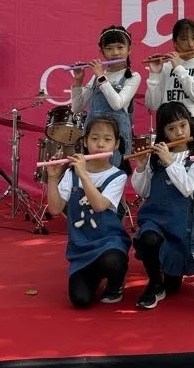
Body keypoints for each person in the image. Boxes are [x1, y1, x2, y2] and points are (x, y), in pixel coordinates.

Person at [45, 115, 130, 308]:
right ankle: (93, 276)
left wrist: (83, 174)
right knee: (80, 300)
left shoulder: (118, 176)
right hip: (81, 246)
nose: (100, 144)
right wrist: (52, 178)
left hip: (109, 242)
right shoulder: (71, 173)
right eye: (94, 138)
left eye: (107, 139)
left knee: (114, 261)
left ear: (116, 144)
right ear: (84, 141)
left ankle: (115, 285)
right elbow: (55, 209)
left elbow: (99, 205)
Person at [131, 102, 194, 309]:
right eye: (171, 128)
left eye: (183, 125)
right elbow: (143, 191)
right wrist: (141, 167)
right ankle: (154, 282)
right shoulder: (156, 158)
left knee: (173, 287)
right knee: (148, 238)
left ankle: (165, 276)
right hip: (154, 218)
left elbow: (187, 188)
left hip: (179, 224)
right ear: (163, 133)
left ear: (190, 125)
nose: (179, 132)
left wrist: (170, 162)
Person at [71, 25, 140, 170]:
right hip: (93, 138)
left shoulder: (133, 77)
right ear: (101, 52)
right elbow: (77, 107)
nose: (115, 53)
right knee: (91, 175)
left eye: (120, 47)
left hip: (115, 140)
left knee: (114, 176)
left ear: (129, 49)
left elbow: (117, 104)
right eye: (109, 48)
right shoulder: (97, 77)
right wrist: (78, 81)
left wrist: (101, 76)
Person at [145, 18, 194, 151]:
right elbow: (152, 104)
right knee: (166, 162)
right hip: (168, 126)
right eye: (184, 39)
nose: (191, 44)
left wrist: (178, 68)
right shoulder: (165, 67)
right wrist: (154, 74)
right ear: (175, 43)